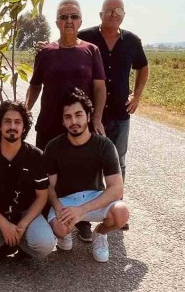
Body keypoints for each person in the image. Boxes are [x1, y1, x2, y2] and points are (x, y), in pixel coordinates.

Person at [74, 0, 149, 237]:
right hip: (90, 113)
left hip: (119, 113)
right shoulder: (86, 36)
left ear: (124, 14)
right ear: (101, 14)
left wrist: (136, 96)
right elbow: (62, 46)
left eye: (118, 10)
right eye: (109, 11)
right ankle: (82, 218)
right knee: (86, 163)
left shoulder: (132, 41)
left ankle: (116, 209)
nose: (113, 14)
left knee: (119, 161)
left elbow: (143, 67)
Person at [44, 87, 129, 262]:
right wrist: (59, 208)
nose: (73, 121)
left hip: (94, 198)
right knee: (60, 229)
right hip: (65, 201)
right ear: (63, 121)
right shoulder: (53, 147)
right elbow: (49, 187)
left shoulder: (104, 145)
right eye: (68, 117)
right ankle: (65, 233)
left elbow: (116, 188)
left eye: (78, 115)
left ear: (88, 117)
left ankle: (100, 234)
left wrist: (82, 209)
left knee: (121, 213)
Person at [0, 101, 56, 266]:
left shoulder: (36, 156)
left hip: (25, 214)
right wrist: (3, 223)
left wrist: (22, 224)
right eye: (7, 121)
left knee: (45, 244)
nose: (12, 126)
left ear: (24, 127)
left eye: (18, 122)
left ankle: (20, 244)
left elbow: (42, 197)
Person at [25, 0, 106, 152]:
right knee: (47, 173)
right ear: (57, 23)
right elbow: (35, 86)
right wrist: (24, 112)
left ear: (80, 22)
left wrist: (96, 119)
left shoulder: (91, 50)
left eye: (74, 17)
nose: (69, 21)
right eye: (63, 17)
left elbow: (99, 88)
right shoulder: (46, 52)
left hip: (80, 127)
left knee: (79, 173)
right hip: (49, 126)